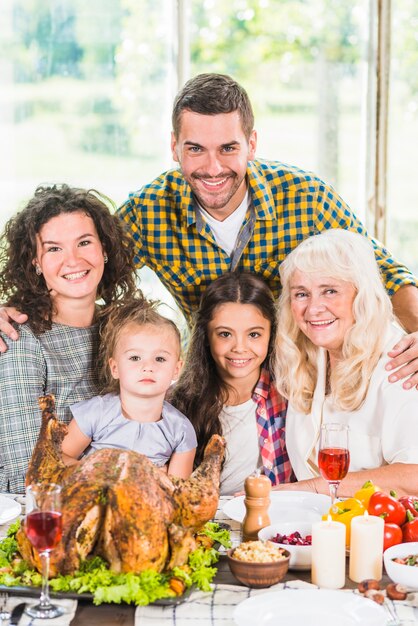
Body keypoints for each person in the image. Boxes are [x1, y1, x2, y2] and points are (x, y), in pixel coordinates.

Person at [2, 73, 418, 386]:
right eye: (195, 149)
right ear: (174, 147)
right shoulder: (149, 210)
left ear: (252, 144)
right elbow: (79, 267)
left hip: (306, 379)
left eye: (229, 148)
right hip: (212, 382)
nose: (213, 167)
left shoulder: (304, 196)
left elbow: (382, 271)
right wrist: (8, 311)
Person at [0, 183, 138, 493]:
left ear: (104, 249)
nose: (72, 260)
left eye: (84, 242)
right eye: (53, 248)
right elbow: (29, 472)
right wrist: (125, 477)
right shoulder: (20, 340)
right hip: (44, 516)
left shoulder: (123, 327)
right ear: (35, 262)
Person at [273, 229, 418, 497]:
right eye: (301, 294)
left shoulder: (402, 361)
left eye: (329, 291)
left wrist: (311, 489)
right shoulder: (306, 354)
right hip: (320, 528)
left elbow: (414, 477)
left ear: (361, 295)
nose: (313, 308)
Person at [170, 272, 294, 495]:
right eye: (225, 334)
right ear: (207, 337)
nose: (239, 347)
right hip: (207, 525)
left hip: (275, 522)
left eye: (254, 334)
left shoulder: (291, 394)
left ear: (271, 334)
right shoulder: (179, 404)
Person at [61, 298, 196, 479]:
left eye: (160, 359)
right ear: (115, 368)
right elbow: (59, 458)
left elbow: (178, 491)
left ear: (176, 369)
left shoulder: (181, 430)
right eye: (135, 358)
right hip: (95, 500)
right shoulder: (97, 413)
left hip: (148, 504)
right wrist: (96, 472)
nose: (148, 366)